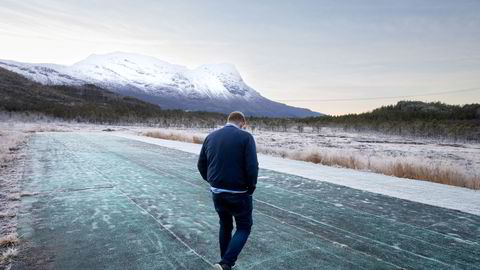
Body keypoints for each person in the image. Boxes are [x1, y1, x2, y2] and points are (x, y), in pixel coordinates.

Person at [197, 111, 259, 270]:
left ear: (228, 120)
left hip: (217, 191)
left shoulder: (211, 136)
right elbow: (252, 167)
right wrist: (251, 187)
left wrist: (212, 181)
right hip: (238, 192)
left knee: (225, 225)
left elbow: (201, 164)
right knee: (244, 227)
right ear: (242, 122)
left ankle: (224, 263)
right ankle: (226, 264)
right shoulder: (246, 138)